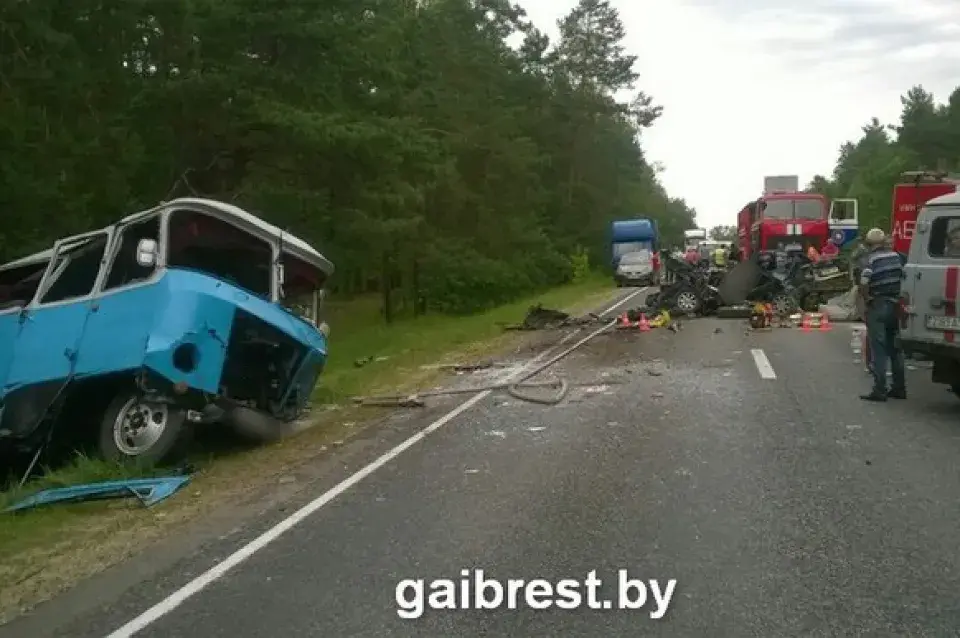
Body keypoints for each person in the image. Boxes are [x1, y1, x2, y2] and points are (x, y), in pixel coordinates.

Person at [859, 227, 906, 401]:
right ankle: (899, 388)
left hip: (878, 305)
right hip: (895, 305)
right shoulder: (897, 256)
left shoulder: (870, 260)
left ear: (870, 244)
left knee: (878, 349)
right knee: (895, 348)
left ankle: (880, 390)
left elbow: (864, 283)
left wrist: (868, 299)